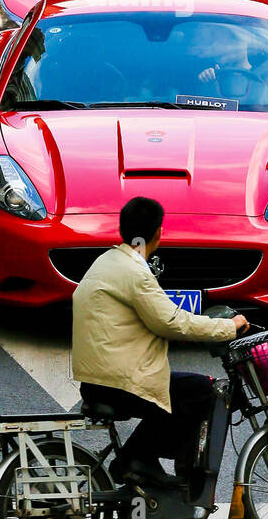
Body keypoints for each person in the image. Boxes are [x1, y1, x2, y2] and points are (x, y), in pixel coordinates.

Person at [71, 197, 248, 488]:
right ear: (158, 234)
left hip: (96, 379)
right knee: (205, 391)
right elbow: (171, 322)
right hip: (118, 382)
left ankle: (141, 463)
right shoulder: (135, 272)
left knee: (179, 390)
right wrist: (227, 327)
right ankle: (136, 460)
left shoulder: (107, 261)